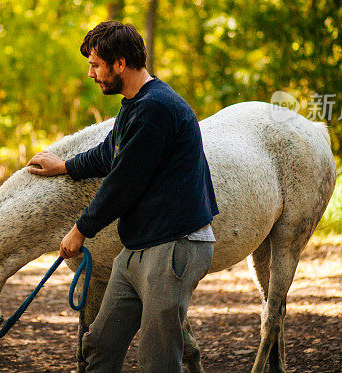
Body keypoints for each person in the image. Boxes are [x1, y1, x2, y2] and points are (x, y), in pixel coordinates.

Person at [26, 21, 219, 372]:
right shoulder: (136, 103)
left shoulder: (156, 108)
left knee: (157, 361)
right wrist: (65, 166)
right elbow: (108, 154)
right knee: (100, 344)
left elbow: (123, 181)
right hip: (139, 246)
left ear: (120, 63)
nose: (91, 73)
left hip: (173, 246)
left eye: (96, 64)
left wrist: (80, 230)